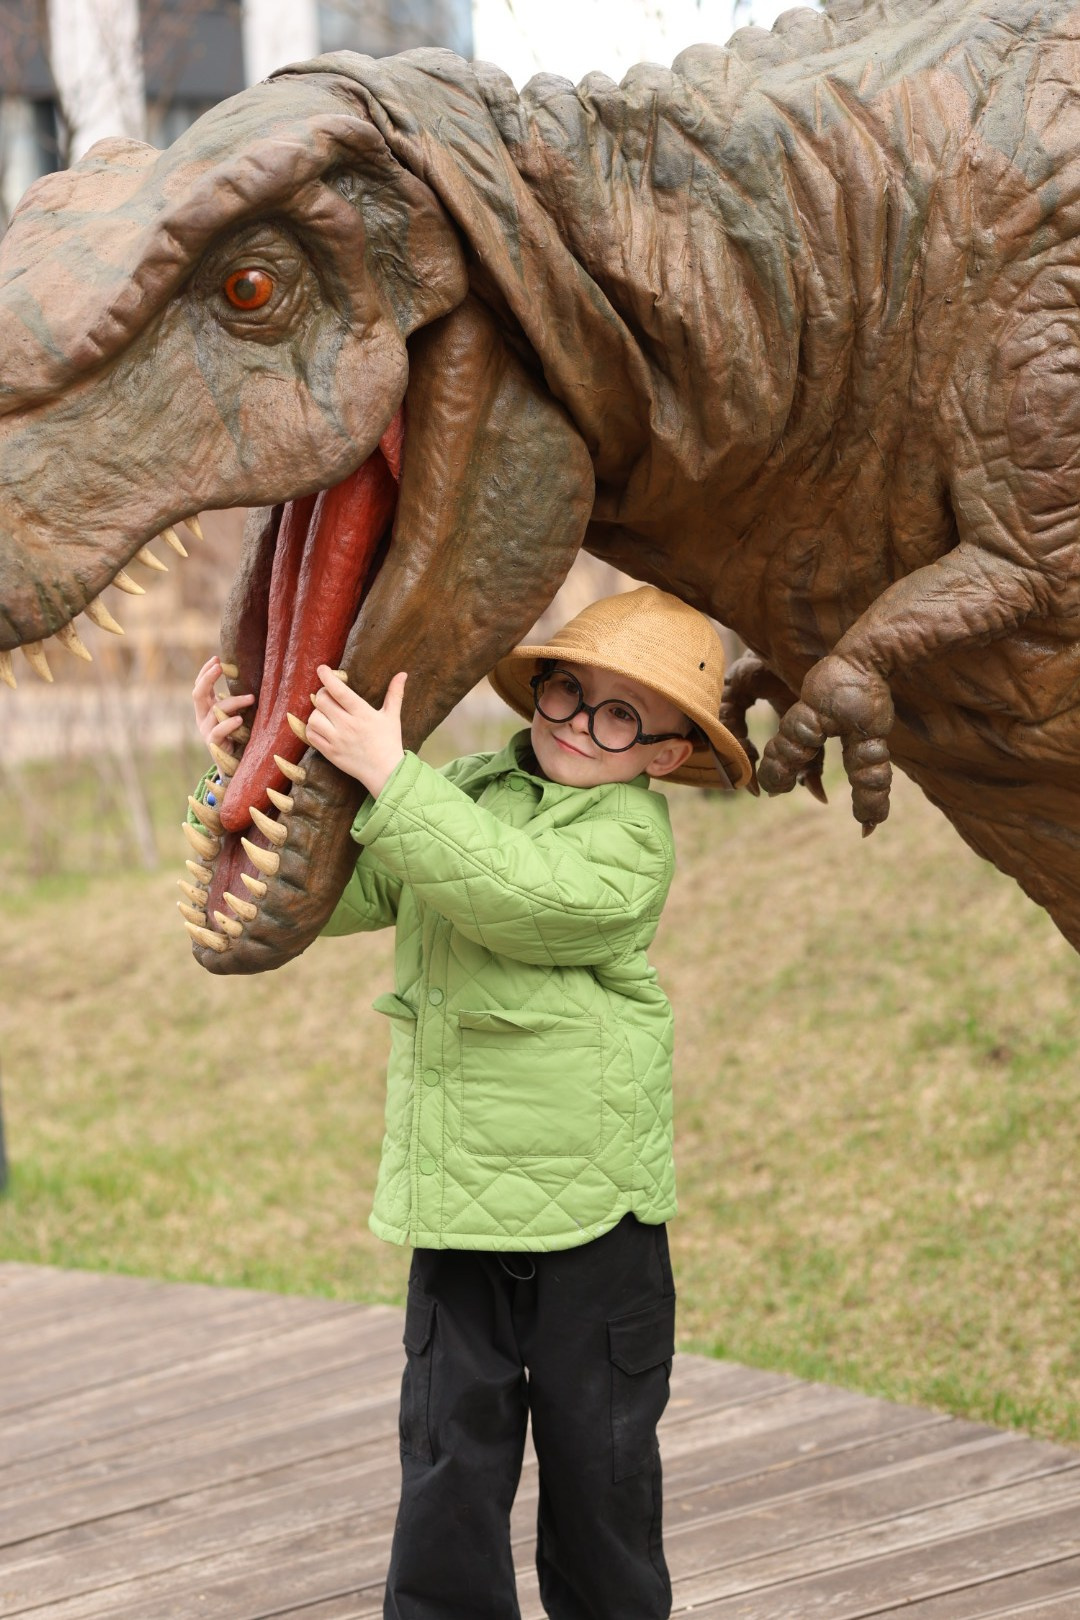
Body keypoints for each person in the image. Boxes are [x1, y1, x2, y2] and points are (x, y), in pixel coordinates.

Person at [192, 585, 752, 1620]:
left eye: (621, 716)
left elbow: (524, 897)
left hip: (594, 1220)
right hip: (456, 1207)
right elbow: (336, 890)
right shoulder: (462, 794)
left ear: (665, 755)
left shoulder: (629, 840)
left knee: (602, 1476)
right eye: (567, 693)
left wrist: (395, 781)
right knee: (447, 1466)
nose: (581, 726)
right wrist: (249, 770)